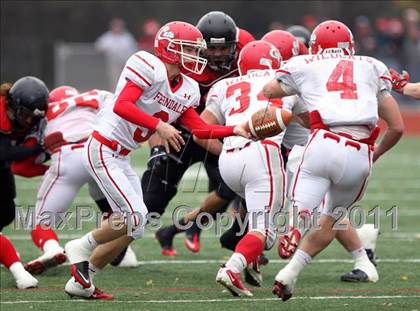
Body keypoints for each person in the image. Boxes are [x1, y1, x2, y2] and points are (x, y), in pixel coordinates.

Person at [63, 21, 249, 300]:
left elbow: (199, 129)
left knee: (137, 225)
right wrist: (158, 126)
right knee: (134, 215)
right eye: (189, 49)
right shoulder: (146, 64)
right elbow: (122, 105)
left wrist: (235, 129)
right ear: (171, 49)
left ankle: (82, 280)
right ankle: (81, 246)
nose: (197, 57)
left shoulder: (187, 87)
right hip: (103, 147)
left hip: (120, 155)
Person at [263, 20, 404, 300]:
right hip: (360, 151)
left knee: (302, 197)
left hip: (324, 142)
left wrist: (301, 88)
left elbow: (269, 90)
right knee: (332, 219)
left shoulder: (305, 63)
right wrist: (372, 155)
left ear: (316, 47)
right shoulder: (372, 65)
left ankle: (293, 227)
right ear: (350, 47)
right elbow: (397, 126)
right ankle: (290, 272)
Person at [195, 40, 308, 296]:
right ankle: (232, 268)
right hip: (262, 154)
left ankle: (251, 259)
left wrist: (227, 149)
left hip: (229, 160)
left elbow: (200, 133)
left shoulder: (224, 85)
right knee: (265, 231)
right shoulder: (285, 85)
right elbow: (311, 123)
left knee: (257, 220)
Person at [147, 11, 255, 256]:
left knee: (232, 188)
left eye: (224, 48)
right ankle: (118, 244)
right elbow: (156, 106)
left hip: (220, 131)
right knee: (154, 197)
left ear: (236, 45)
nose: (217, 54)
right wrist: (155, 144)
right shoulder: (184, 60)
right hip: (182, 132)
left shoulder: (247, 47)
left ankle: (227, 239)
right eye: (211, 49)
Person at [24, 86, 138, 275]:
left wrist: (46, 168)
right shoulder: (93, 95)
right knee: (117, 210)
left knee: (41, 222)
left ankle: (52, 249)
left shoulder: (45, 114)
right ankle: (123, 253)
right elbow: (120, 107)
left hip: (68, 155)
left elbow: (23, 164)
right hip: (100, 152)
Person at [0, 77, 49, 288]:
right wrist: (37, 149)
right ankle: (16, 268)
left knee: (7, 211)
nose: (29, 121)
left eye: (33, 117)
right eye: (25, 115)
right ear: (12, 105)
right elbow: (5, 152)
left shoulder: (31, 116)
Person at [95, 18, 138, 90]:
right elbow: (99, 46)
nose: (117, 28)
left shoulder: (127, 37)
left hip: (126, 63)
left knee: (126, 79)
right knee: (114, 80)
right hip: (113, 63)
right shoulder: (107, 37)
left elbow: (133, 49)